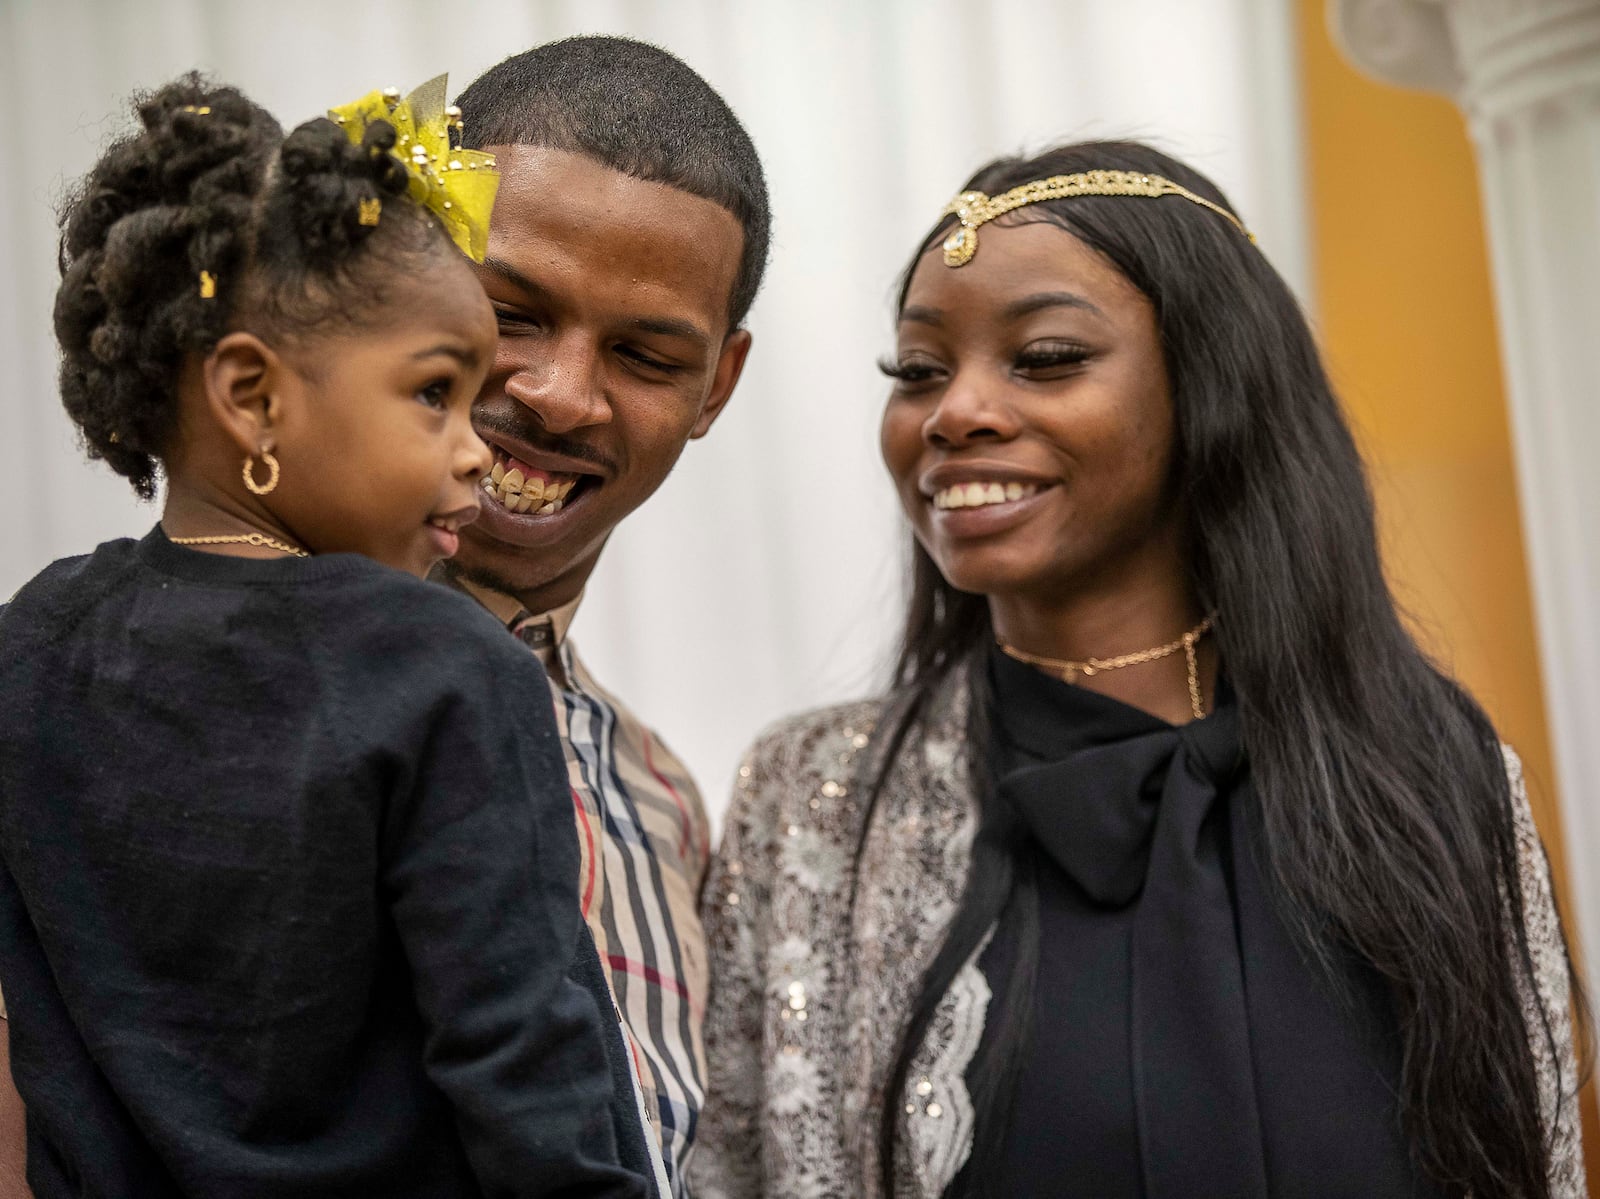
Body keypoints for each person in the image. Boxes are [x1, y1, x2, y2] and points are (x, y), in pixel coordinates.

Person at [693, 141, 1589, 1198]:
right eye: (918, 370)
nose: (953, 410)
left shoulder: (1434, 771)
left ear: (1212, 384)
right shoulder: (812, 804)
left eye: (1044, 357)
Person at [0, 74, 652, 1196]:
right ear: (252, 397)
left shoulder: (29, 647)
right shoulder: (448, 668)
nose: (470, 452)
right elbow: (530, 1071)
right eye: (434, 394)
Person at [439, 37, 769, 1195]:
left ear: (714, 388)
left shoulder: (664, 803)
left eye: (642, 353)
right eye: (509, 312)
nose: (561, 393)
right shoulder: (133, 672)